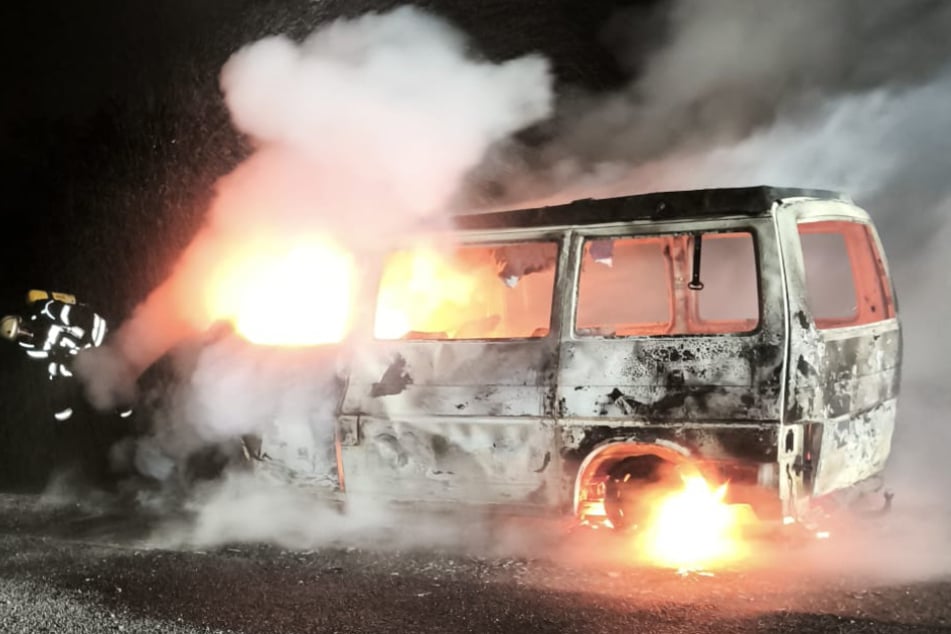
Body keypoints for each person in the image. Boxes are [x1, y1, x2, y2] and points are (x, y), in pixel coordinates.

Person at [0, 289, 117, 421]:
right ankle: (122, 405)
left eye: (21, 327)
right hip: (88, 357)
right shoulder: (33, 350)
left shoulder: (46, 311)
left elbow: (81, 316)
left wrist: (89, 340)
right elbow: (50, 373)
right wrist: (60, 404)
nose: (24, 332)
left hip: (101, 333)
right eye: (19, 334)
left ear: (21, 320)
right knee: (99, 386)